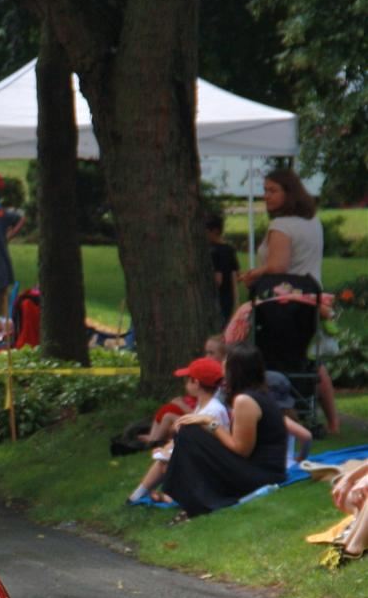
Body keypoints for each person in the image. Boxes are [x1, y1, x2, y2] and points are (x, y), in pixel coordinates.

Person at [240, 166, 336, 433]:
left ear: (289, 192)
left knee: (270, 357)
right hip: (312, 303)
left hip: (282, 308)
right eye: (265, 190)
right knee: (309, 362)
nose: (266, 196)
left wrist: (253, 274)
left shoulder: (281, 226)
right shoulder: (312, 221)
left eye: (272, 190)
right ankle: (333, 422)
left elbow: (278, 267)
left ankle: (275, 411)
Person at [162, 342, 289, 517]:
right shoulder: (259, 394)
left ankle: (196, 500)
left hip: (260, 476)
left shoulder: (245, 400)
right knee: (191, 431)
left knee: (188, 434)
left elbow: (241, 450)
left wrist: (210, 423)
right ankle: (190, 494)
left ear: (235, 371)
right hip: (264, 470)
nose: (222, 374)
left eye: (225, 367)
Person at [127, 356, 228, 508]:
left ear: (197, 383)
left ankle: (144, 497)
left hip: (210, 468)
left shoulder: (212, 410)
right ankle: (140, 496)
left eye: (188, 379)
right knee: (164, 461)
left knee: (165, 464)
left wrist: (172, 453)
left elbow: (207, 445)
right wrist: (168, 448)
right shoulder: (203, 406)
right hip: (204, 461)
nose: (185, 383)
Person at [205, 208, 239, 324]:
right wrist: (236, 302)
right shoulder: (229, 250)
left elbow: (218, 280)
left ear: (214, 231)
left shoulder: (213, 251)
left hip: (215, 300)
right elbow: (234, 277)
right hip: (228, 299)